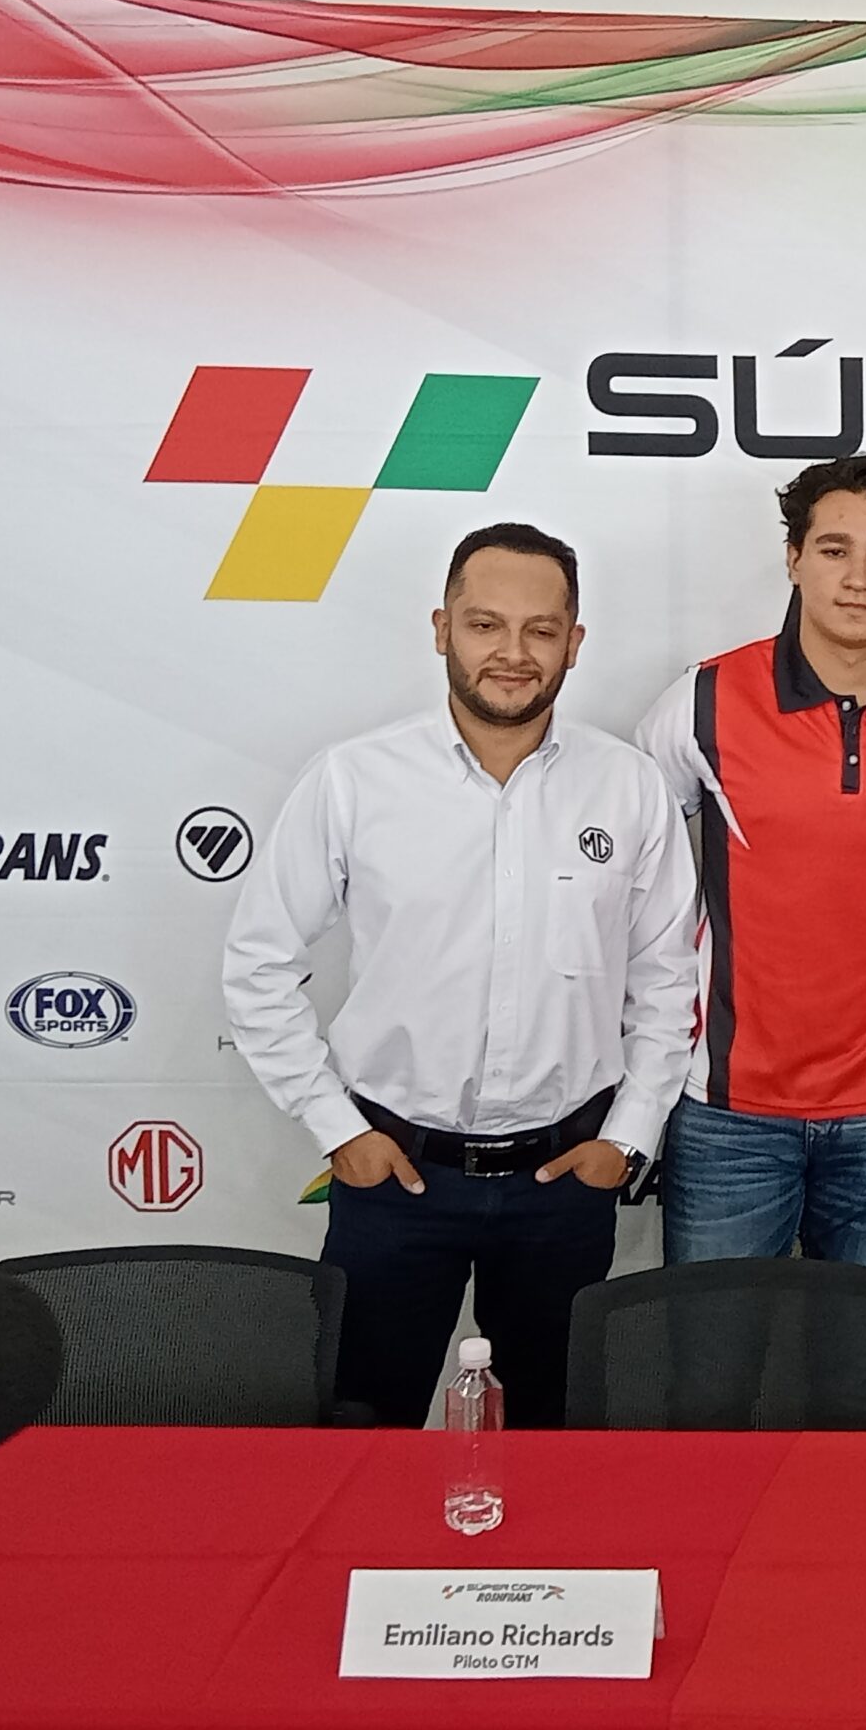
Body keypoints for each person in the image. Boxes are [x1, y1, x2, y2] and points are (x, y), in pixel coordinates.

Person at [223, 524, 698, 1428]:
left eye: (540, 629)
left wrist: (626, 1140)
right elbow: (259, 963)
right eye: (485, 625)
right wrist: (336, 1128)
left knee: (555, 1437)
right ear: (442, 628)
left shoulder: (629, 787)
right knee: (364, 1429)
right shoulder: (354, 780)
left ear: (574, 643)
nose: (512, 653)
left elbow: (667, 981)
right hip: (394, 1177)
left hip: (565, 1181)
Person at [636, 457, 866, 1275]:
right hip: (728, 1111)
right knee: (712, 1351)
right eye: (835, 550)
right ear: (794, 558)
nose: (858, 578)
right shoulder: (705, 700)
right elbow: (629, 868)